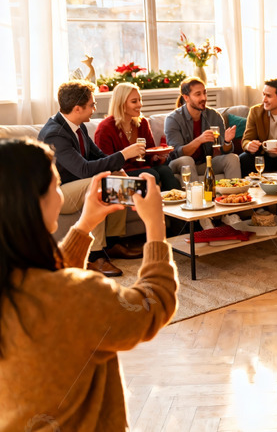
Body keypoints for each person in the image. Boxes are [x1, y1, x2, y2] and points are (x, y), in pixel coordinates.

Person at [0, 138, 177, 431]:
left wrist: (84, 225)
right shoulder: (75, 295)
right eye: (56, 186)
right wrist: (156, 229)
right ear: (34, 202)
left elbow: (52, 288)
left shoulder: (22, 285)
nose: (60, 195)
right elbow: (152, 305)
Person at [38, 80, 145, 276]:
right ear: (77, 108)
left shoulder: (79, 126)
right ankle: (94, 257)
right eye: (92, 105)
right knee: (98, 183)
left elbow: (100, 157)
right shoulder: (56, 134)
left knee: (115, 179)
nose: (95, 108)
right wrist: (124, 154)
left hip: (74, 185)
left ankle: (112, 243)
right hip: (55, 193)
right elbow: (84, 170)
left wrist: (118, 168)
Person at [94, 83, 182, 191]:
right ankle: (150, 207)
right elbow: (107, 163)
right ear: (121, 104)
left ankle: (175, 203)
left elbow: (150, 151)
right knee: (151, 174)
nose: (140, 104)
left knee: (165, 171)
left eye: (140, 100)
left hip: (143, 168)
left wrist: (157, 157)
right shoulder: (105, 128)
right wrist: (127, 154)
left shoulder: (142, 123)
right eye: (134, 101)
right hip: (120, 173)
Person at [165, 77, 241, 182]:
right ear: (186, 97)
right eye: (198, 94)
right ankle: (195, 197)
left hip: (206, 162)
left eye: (204, 93)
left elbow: (225, 151)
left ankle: (234, 196)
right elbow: (177, 153)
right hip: (180, 163)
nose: (204, 98)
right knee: (187, 160)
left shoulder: (214, 116)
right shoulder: (173, 119)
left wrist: (227, 142)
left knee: (232, 158)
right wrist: (199, 140)